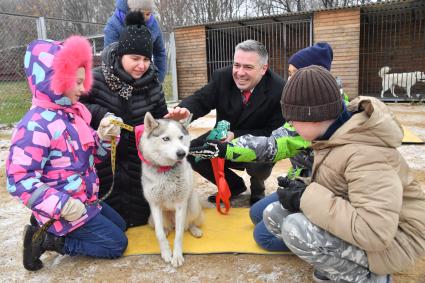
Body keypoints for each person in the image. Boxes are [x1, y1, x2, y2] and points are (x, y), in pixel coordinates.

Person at [269, 65, 425, 282]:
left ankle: (371, 277)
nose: (290, 126)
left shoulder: (366, 154)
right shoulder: (334, 134)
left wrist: (306, 197)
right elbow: (340, 184)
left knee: (296, 228)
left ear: (313, 118)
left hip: (398, 240)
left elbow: (375, 233)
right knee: (275, 214)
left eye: (292, 120)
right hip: (368, 226)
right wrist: (303, 186)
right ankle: (340, 264)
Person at [190, 42, 336, 251]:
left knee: (263, 236)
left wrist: (228, 147)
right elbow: (278, 140)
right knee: (257, 214)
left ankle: (326, 246)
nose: (289, 80)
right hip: (301, 184)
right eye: (290, 73)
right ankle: (236, 188)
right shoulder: (303, 107)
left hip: (323, 193)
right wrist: (224, 148)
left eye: (295, 74)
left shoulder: (313, 112)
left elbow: (274, 143)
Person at [6, 35, 128, 271]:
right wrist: (62, 206)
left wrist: (104, 137)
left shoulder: (71, 115)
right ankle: (50, 239)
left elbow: (93, 155)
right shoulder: (35, 126)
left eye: (84, 81)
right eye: (78, 82)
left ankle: (42, 223)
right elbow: (19, 180)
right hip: (66, 208)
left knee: (120, 225)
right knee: (116, 244)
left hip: (84, 200)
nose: (83, 89)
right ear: (56, 79)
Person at [166, 39, 285, 206]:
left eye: (248, 67)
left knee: (259, 163)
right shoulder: (222, 77)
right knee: (191, 153)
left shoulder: (279, 89)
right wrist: (185, 110)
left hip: (256, 142)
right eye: (237, 65)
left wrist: (236, 135)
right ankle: (233, 186)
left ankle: (258, 187)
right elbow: (202, 98)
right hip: (221, 138)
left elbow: (274, 133)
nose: (240, 72)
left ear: (263, 69)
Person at [81, 11, 168, 227]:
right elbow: (77, 106)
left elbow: (160, 121)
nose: (142, 65)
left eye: (146, 59)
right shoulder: (96, 78)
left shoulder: (153, 85)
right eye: (135, 58)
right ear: (121, 55)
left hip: (137, 164)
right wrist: (102, 115)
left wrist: (169, 122)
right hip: (103, 164)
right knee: (113, 222)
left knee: (139, 221)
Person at [104, 0, 167, 83]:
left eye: (148, 14)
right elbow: (110, 59)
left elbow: (160, 52)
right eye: (141, 14)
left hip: (146, 77)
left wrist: (158, 79)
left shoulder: (153, 25)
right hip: (122, 80)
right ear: (130, 11)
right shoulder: (113, 26)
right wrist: (125, 83)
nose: (145, 18)